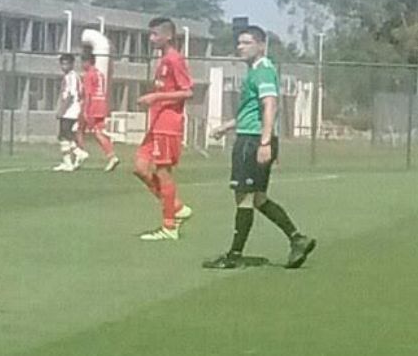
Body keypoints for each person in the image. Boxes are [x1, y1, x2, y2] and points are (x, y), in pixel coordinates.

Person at [204, 25, 316, 269]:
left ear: (261, 45)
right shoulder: (257, 72)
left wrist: (264, 142)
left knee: (244, 198)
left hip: (252, 141)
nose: (240, 47)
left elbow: (270, 105)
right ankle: (298, 239)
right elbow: (253, 109)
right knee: (259, 199)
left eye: (246, 43)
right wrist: (227, 126)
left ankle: (234, 255)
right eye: (239, 43)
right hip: (252, 136)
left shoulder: (263, 71)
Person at [134, 17, 193, 241]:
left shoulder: (175, 60)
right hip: (156, 123)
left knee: (162, 171)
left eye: (154, 34)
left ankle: (169, 226)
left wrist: (156, 96)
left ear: (167, 36)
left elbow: (188, 91)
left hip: (169, 124)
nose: (151, 39)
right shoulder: (163, 61)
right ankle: (176, 207)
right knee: (140, 166)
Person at [75, 30, 120, 172]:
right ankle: (110, 155)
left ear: (87, 62)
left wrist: (85, 110)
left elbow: (88, 94)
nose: (82, 65)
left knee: (81, 130)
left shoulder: (89, 75)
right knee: (96, 131)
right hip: (102, 104)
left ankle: (81, 154)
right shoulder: (99, 73)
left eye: (83, 61)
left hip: (93, 106)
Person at [53, 54, 83, 172]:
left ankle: (78, 153)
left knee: (65, 134)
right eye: (62, 63)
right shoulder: (71, 76)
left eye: (66, 63)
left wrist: (62, 110)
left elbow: (70, 95)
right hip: (72, 110)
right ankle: (68, 163)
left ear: (71, 64)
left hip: (70, 110)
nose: (63, 66)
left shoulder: (71, 77)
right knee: (63, 136)